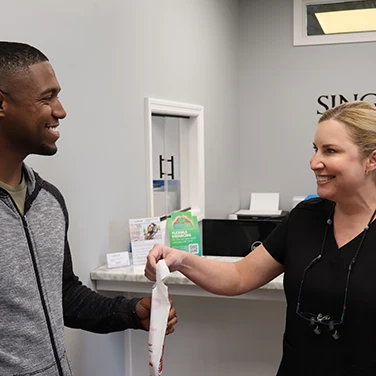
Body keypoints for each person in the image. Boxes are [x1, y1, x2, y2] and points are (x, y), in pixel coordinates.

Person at [145, 100, 376, 376]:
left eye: (331, 150)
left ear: (372, 159)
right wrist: (181, 260)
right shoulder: (305, 218)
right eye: (315, 149)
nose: (315, 162)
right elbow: (239, 275)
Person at [0, 41, 177, 376]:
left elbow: (63, 295)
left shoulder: (47, 201)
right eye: (46, 97)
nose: (60, 110)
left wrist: (130, 313)